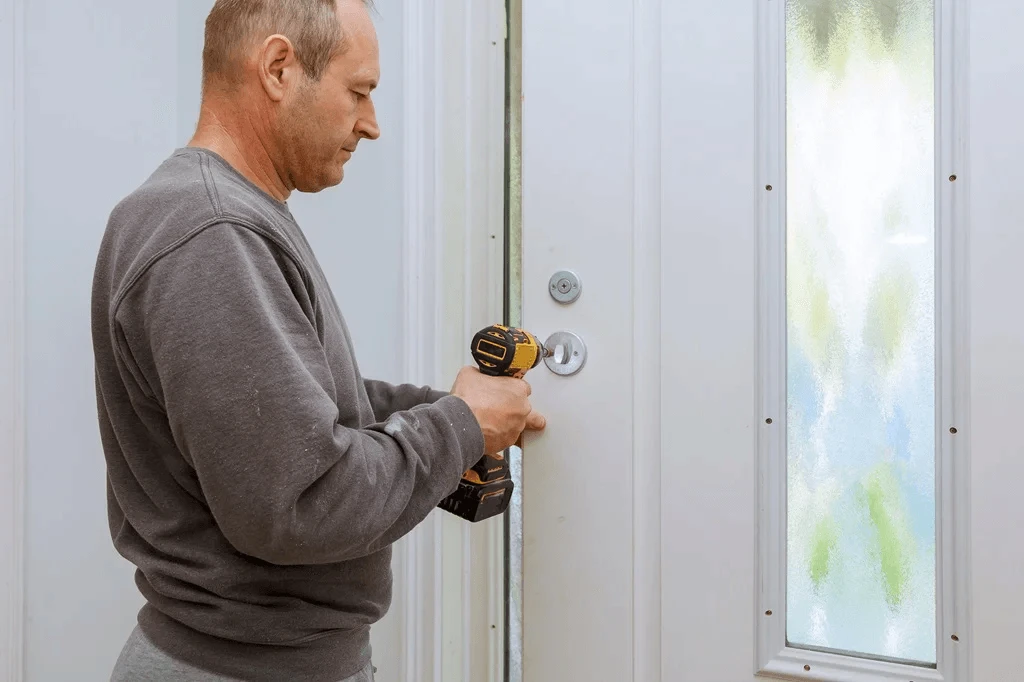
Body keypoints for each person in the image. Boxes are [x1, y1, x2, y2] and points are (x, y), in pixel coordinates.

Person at [90, 0, 545, 680]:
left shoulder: (216, 214)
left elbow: (290, 410)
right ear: (278, 68)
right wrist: (458, 427)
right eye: (358, 90)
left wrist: (457, 413)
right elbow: (303, 505)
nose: (372, 123)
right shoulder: (211, 234)